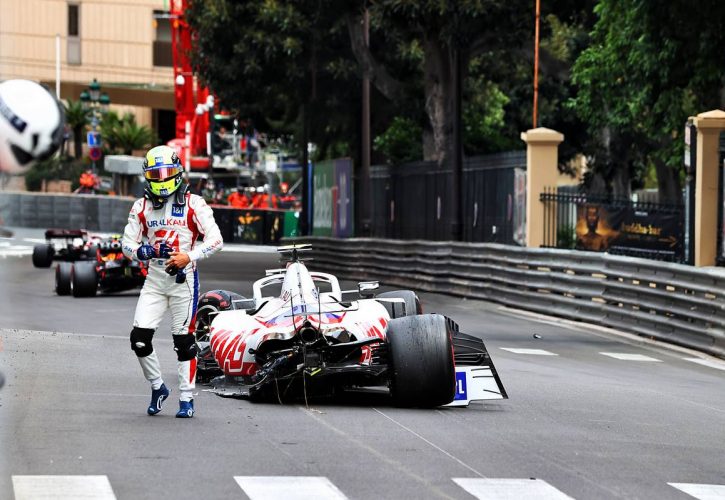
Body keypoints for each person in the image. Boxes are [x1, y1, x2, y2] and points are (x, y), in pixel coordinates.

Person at [122, 145, 223, 418]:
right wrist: (143, 251)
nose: (161, 178)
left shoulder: (195, 203)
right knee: (139, 339)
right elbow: (127, 245)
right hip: (154, 281)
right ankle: (158, 387)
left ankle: (187, 399)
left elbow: (216, 240)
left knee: (184, 342)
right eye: (155, 174)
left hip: (183, 281)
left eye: (165, 172)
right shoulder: (141, 206)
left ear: (177, 171)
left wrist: (189, 256)